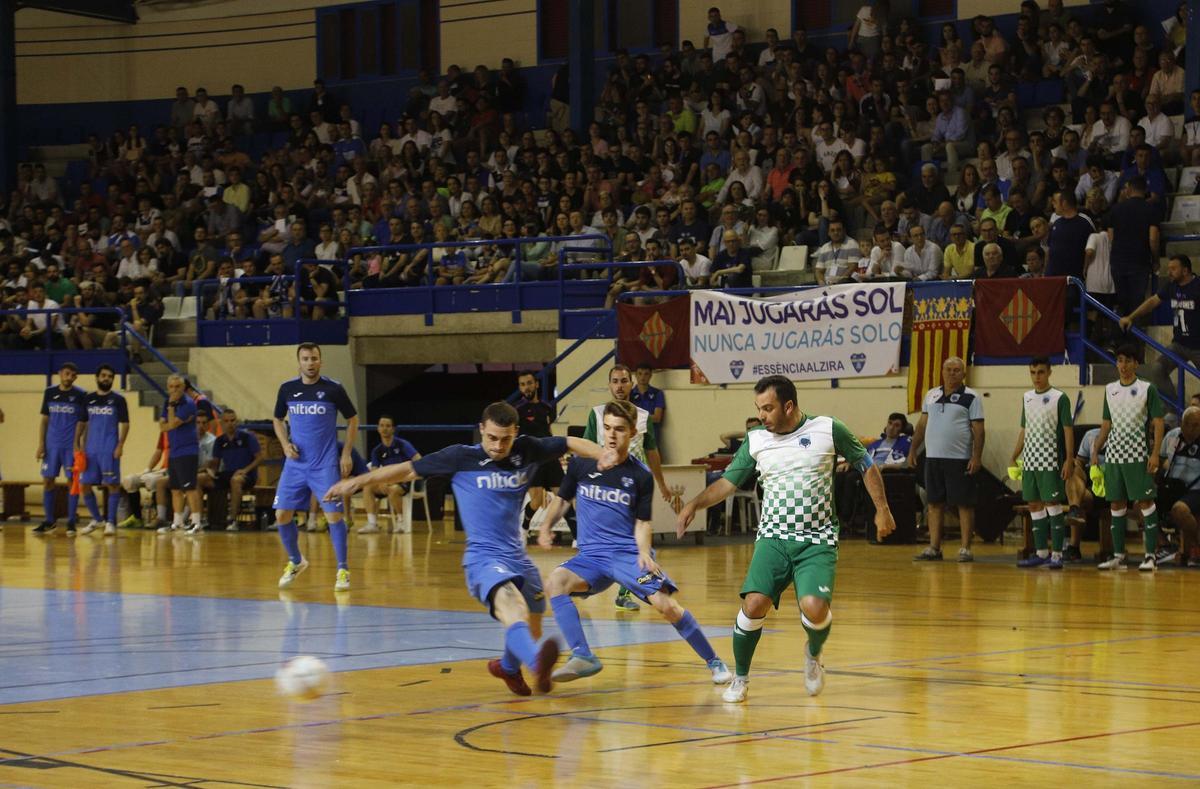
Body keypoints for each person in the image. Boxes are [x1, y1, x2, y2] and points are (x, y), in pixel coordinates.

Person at [325, 401, 618, 696]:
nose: (498, 445)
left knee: (533, 625)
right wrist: (358, 481)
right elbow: (406, 470)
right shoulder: (459, 457)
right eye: (491, 437)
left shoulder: (528, 449)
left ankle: (507, 667)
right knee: (512, 607)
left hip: (518, 557)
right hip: (483, 559)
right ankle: (536, 664)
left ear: (516, 432)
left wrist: (605, 454)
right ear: (481, 430)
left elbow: (569, 442)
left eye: (505, 438)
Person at [674, 375, 896, 703]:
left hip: (817, 539)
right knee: (753, 604)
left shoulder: (828, 428)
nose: (761, 415)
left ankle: (813, 654)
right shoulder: (756, 440)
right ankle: (742, 678)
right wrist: (694, 503)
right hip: (773, 538)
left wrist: (883, 510)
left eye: (767, 408)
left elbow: (866, 466)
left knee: (815, 608)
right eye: (758, 409)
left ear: (788, 405)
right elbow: (727, 484)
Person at [537, 399, 732, 684]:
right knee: (555, 581)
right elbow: (562, 500)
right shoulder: (581, 464)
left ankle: (714, 661)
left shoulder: (640, 475)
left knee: (666, 606)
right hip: (590, 557)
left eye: (618, 429)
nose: (611, 435)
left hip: (626, 555)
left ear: (633, 434)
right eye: (606, 428)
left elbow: (643, 521)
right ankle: (583, 656)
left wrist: (644, 552)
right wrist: (545, 526)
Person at [583, 364, 672, 611]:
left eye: (624, 380)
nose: (620, 386)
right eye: (615, 381)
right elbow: (586, 448)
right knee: (605, 541)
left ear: (631, 384)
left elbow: (652, 451)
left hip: (633, 488)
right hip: (605, 488)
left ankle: (625, 593)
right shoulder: (596, 413)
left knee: (637, 541)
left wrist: (661, 483)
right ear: (609, 385)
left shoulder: (643, 416)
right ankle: (588, 583)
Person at [272, 342, 359, 592]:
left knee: (333, 516)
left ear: (321, 361)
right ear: (299, 362)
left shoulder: (333, 389)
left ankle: (343, 569)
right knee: (281, 515)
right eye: (306, 359)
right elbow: (277, 419)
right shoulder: (287, 389)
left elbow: (353, 419)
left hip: (325, 465)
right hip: (295, 465)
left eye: (314, 358)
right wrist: (285, 444)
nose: (310, 363)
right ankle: (296, 561)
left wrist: (346, 453)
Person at [1092, 345, 1165, 571]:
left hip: (1138, 455)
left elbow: (1158, 422)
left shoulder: (1147, 389)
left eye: (1127, 361)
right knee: (1116, 503)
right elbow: (1106, 423)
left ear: (1136, 364)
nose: (1123, 366)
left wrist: (1155, 454)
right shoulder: (1110, 389)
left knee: (1145, 502)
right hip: (1114, 457)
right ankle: (1118, 556)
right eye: (1120, 360)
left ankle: (1151, 556)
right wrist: (1096, 450)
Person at [909, 356, 986, 562]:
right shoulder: (931, 395)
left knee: (964, 503)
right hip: (933, 458)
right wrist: (913, 450)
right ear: (942, 372)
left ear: (963, 374)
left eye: (956, 370)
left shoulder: (971, 397)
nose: (952, 373)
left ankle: (965, 549)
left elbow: (979, 430)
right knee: (934, 503)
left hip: (959, 459)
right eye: (948, 369)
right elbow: (922, 425)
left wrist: (976, 457)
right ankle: (935, 547)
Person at [1011, 357, 1075, 569]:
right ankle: (1041, 552)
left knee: (1053, 505)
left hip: (1051, 461)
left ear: (1049, 372)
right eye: (1033, 372)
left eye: (1040, 372)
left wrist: (1068, 459)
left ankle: (1057, 554)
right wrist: (1014, 455)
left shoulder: (1060, 398)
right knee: (1034, 505)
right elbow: (1024, 429)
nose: (1036, 377)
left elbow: (1067, 430)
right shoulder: (1027, 397)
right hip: (1030, 462)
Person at [1120, 256, 1200, 410]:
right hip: (1178, 344)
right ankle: (1177, 409)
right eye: (1168, 268)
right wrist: (1131, 317)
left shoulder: (1197, 286)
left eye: (1173, 269)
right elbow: (1152, 302)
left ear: (1185, 270)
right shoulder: (1171, 286)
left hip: (1198, 346)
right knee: (1157, 369)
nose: (1169, 272)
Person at [33, 362, 87, 535]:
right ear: (60, 373)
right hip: (51, 445)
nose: (69, 377)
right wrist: (41, 443)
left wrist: (79, 445)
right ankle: (49, 520)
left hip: (70, 446)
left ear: (76, 377)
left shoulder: (80, 395)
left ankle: (71, 521)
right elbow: (44, 420)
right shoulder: (49, 392)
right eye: (66, 373)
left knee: (72, 482)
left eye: (72, 375)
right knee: (48, 480)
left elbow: (84, 423)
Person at [77, 364, 129, 537]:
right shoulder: (88, 399)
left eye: (110, 376)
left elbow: (125, 424)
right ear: (97, 377)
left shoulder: (118, 400)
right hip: (90, 449)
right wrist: (77, 444)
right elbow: (82, 422)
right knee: (84, 485)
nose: (106, 378)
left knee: (112, 485)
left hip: (109, 448)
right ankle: (97, 519)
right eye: (104, 375)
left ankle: (110, 522)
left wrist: (120, 445)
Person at [157, 374, 205, 535]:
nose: (174, 390)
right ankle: (178, 523)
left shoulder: (188, 404)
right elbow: (162, 427)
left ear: (183, 388)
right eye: (171, 387)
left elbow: (171, 424)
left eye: (178, 387)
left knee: (190, 488)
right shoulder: (167, 401)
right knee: (175, 488)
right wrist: (169, 417)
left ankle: (196, 522)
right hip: (174, 451)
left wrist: (170, 409)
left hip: (187, 450)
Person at [357, 414, 420, 534]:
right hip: (385, 482)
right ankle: (372, 523)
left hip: (404, 482)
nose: (384, 428)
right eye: (381, 425)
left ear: (393, 429)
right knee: (368, 487)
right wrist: (381, 482)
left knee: (394, 489)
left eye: (388, 426)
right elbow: (375, 472)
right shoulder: (377, 450)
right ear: (378, 428)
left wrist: (405, 476)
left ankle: (401, 522)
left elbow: (418, 459)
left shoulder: (402, 444)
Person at [1107, 176, 1160, 319]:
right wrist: (1156, 260)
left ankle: (1120, 337)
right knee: (1137, 303)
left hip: (1118, 260)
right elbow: (1153, 238)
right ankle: (1136, 338)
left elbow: (1110, 238)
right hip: (1140, 261)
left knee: (1122, 301)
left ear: (1129, 189)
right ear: (1145, 190)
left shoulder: (1116, 209)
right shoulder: (1150, 209)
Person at [516, 371, 560, 520]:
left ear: (536, 384)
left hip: (549, 457)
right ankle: (524, 527)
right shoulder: (517, 411)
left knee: (563, 496)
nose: (526, 387)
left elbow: (548, 430)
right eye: (522, 385)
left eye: (529, 383)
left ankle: (577, 536)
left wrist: (557, 451)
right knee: (536, 501)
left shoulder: (547, 407)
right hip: (532, 460)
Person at [1159, 407, 1200, 566]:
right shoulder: (1171, 436)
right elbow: (1161, 459)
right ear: (1182, 424)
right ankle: (1164, 545)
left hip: (1195, 489)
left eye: (1197, 425)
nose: (1193, 429)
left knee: (1179, 509)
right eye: (1190, 424)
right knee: (1142, 502)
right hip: (1173, 484)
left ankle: (1196, 545)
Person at [214, 408, 264, 532]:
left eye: (233, 420)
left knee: (235, 481)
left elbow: (260, 458)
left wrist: (245, 470)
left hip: (247, 475)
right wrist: (209, 471)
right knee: (202, 480)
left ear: (237, 421)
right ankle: (199, 520)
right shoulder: (219, 441)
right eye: (226, 421)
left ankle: (233, 520)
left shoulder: (247, 437)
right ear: (221, 423)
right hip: (227, 473)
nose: (230, 423)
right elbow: (215, 463)